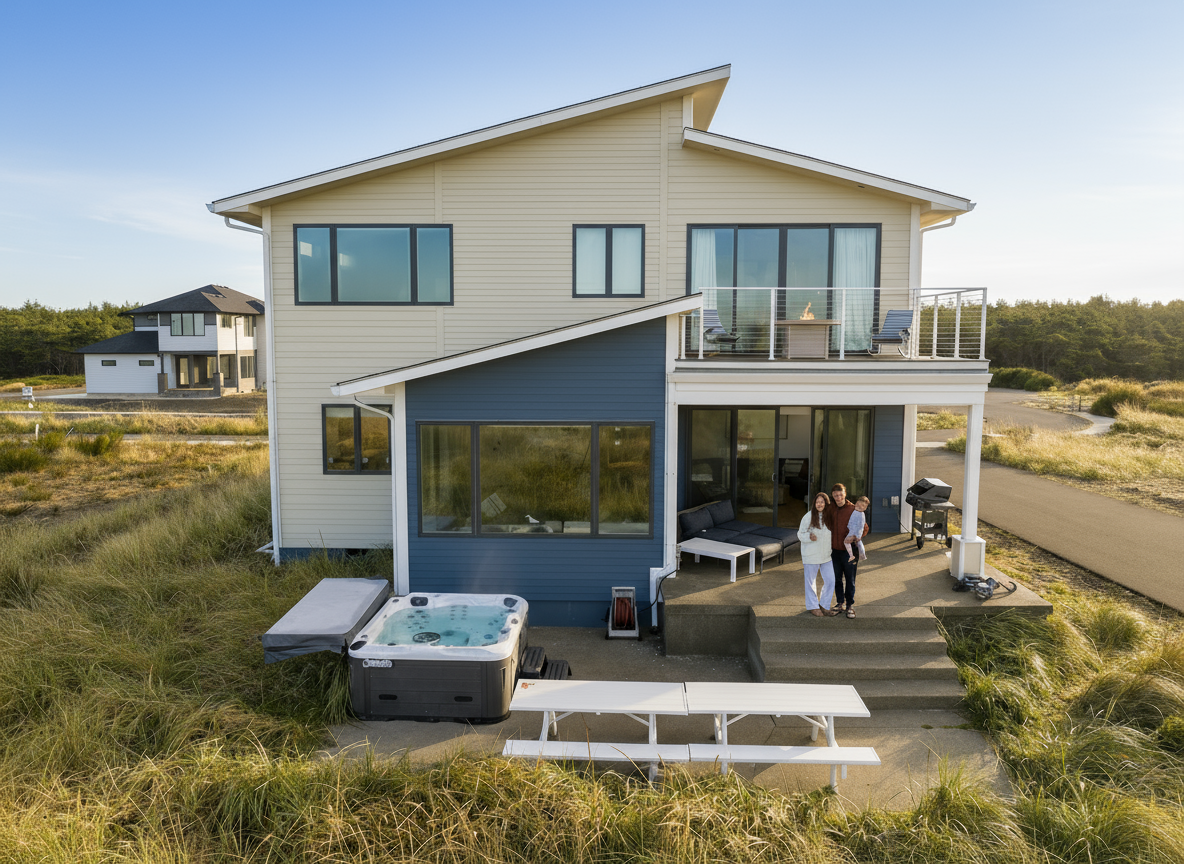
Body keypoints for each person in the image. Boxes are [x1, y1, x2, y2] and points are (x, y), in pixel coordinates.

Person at [826, 483, 868, 618]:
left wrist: (855, 537)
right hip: (835, 551)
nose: (838, 497)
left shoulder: (853, 509)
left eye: (840, 494)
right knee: (836, 578)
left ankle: (850, 605)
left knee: (850, 579)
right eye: (835, 495)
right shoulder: (831, 508)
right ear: (832, 496)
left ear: (845, 494)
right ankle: (840, 603)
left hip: (850, 551)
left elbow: (865, 528)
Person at [797, 492, 839, 617]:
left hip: (826, 555)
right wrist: (809, 536)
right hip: (811, 554)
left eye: (822, 502)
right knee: (810, 582)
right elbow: (800, 534)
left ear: (826, 504)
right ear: (814, 504)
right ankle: (813, 606)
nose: (820, 504)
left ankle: (824, 605)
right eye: (817, 502)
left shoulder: (830, 517)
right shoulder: (808, 517)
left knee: (831, 580)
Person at [845, 496, 870, 563]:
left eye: (862, 506)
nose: (859, 506)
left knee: (847, 542)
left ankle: (853, 555)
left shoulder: (861, 515)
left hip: (854, 533)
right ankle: (861, 555)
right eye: (858, 504)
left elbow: (861, 526)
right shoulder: (855, 511)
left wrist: (858, 535)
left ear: (865, 508)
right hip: (852, 531)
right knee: (857, 543)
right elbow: (851, 521)